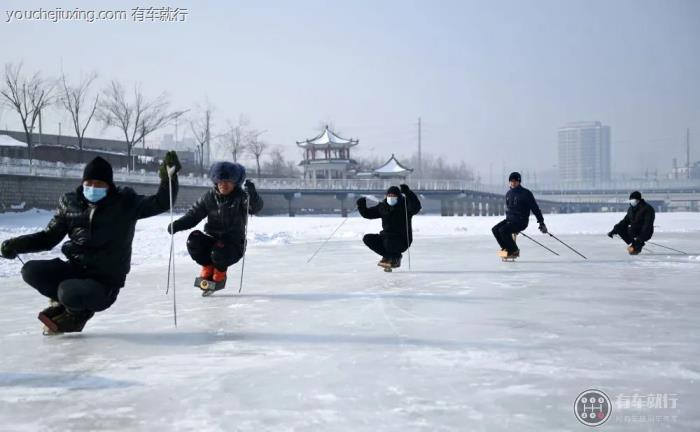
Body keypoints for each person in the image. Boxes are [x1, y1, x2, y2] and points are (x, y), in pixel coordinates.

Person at [0, 153, 181, 334]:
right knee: (31, 271)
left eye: (99, 184)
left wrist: (169, 178)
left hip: (105, 282)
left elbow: (161, 202)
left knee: (67, 291)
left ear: (109, 186)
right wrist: (17, 245)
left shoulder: (125, 203)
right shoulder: (70, 204)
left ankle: (76, 315)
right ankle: (67, 304)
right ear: (83, 183)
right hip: (75, 269)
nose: (93, 188)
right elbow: (48, 237)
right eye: (89, 183)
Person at [168, 161, 263, 289]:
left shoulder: (241, 197)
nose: (223, 184)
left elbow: (255, 208)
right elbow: (194, 214)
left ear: (235, 182)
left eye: (228, 181)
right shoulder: (209, 196)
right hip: (212, 239)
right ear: (215, 181)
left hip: (233, 244)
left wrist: (253, 195)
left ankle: (219, 276)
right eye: (220, 181)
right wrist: (178, 224)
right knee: (194, 240)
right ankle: (208, 268)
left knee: (219, 251)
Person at [357, 184, 422, 269]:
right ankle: (392, 256)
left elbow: (416, 207)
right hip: (386, 237)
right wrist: (361, 205)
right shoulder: (383, 206)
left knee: (389, 243)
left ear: (398, 196)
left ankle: (392, 257)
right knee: (368, 238)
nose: (391, 197)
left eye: (393, 196)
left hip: (402, 240)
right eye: (389, 195)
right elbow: (368, 214)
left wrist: (408, 193)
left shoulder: (405, 206)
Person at [491, 172, 547, 258]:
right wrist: (508, 222)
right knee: (495, 229)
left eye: (515, 181)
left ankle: (514, 250)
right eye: (511, 181)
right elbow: (509, 209)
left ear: (519, 182)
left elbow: (535, 208)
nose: (513, 183)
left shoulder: (526, 193)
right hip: (510, 220)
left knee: (503, 230)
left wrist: (541, 222)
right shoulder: (508, 193)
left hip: (521, 221)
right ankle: (506, 249)